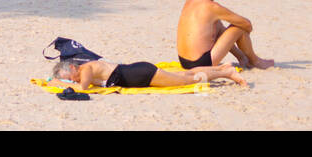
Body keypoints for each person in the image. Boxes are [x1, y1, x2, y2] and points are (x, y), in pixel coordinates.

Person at [176, 0, 274, 70]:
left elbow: (221, 31)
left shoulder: (188, 2)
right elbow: (247, 24)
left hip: (184, 62)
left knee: (217, 25)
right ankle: (255, 61)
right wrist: (245, 34)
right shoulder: (212, 7)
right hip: (201, 64)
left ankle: (242, 58)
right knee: (239, 27)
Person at [49, 57, 245, 90]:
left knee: (187, 81)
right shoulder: (86, 69)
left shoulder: (86, 69)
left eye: (70, 76)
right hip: (137, 71)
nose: (72, 80)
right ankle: (221, 68)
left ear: (73, 68)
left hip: (140, 74)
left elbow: (82, 88)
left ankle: (226, 73)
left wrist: (59, 83)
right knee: (186, 75)